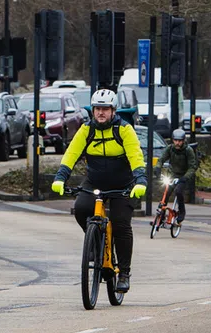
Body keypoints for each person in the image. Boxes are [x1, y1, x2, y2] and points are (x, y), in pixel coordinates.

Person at [51, 89, 147, 293]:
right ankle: (96, 244)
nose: (101, 113)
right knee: (81, 209)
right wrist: (60, 177)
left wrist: (140, 181)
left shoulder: (124, 130)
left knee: (121, 224)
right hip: (94, 182)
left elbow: (135, 156)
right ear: (92, 111)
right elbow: (71, 154)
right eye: (97, 109)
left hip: (123, 185)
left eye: (105, 109)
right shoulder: (86, 130)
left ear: (113, 111)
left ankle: (125, 273)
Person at [153, 128, 197, 225]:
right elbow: (161, 159)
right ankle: (161, 217)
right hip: (172, 175)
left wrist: (185, 178)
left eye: (180, 141)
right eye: (175, 140)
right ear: (172, 140)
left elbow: (192, 167)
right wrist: (158, 168)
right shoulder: (170, 148)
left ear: (183, 141)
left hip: (183, 176)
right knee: (166, 193)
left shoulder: (188, 151)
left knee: (178, 191)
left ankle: (182, 212)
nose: (177, 143)